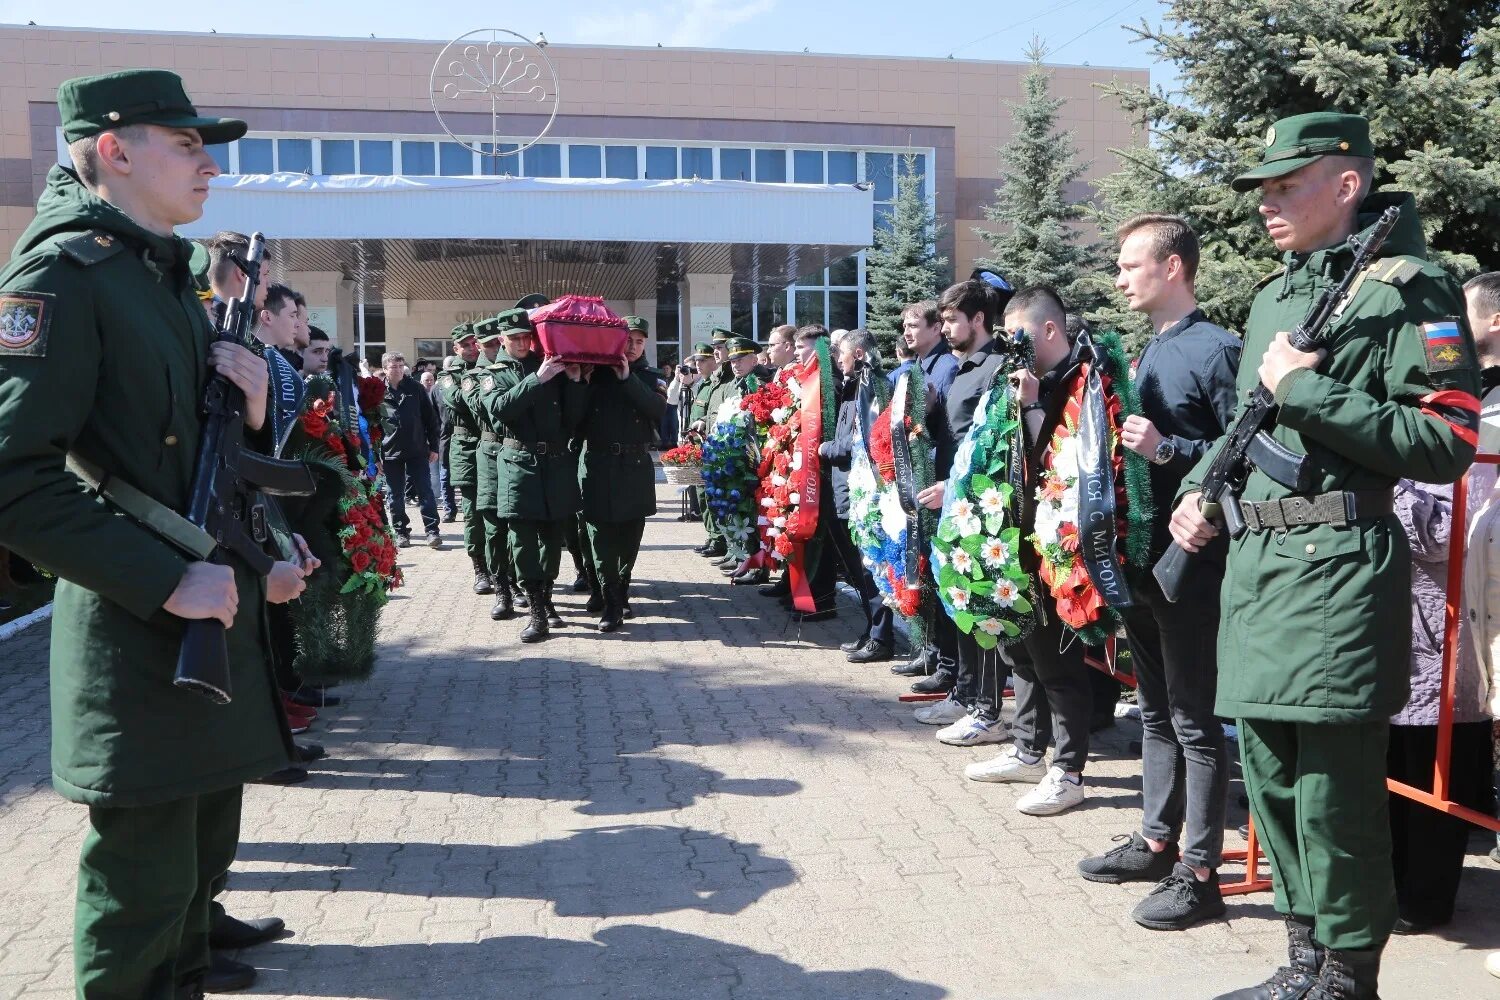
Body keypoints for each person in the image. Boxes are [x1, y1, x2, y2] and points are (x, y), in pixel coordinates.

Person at [0, 69, 319, 999]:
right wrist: (165, 579)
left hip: (208, 602)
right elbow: (14, 474)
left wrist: (260, 434)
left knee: (184, 884)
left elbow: (191, 457)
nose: (208, 165)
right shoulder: (66, 275)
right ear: (114, 149)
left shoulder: (159, 273)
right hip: (139, 624)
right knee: (141, 890)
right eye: (186, 144)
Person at [1168, 113, 1480, 1000]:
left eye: (1286, 185)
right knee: (1266, 776)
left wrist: (1306, 389)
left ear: (1347, 185)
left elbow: (1446, 438)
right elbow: (1243, 424)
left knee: (1334, 799)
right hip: (1258, 573)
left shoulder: (1412, 288)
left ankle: (1348, 976)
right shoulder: (1275, 296)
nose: (1266, 203)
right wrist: (1199, 490)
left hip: (1341, 568)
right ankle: (1303, 964)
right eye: (1262, 187)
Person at [1076, 214, 1241, 930]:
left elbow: (1246, 458)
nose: (1118, 278)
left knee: (1196, 722)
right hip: (1144, 567)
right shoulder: (1145, 353)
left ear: (1173, 268)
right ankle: (1154, 839)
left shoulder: (1218, 350)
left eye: (1130, 265)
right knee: (1153, 711)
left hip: (1194, 567)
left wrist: (1168, 450)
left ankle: (1199, 871)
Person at [910, 280, 1013, 743]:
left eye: (953, 320)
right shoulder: (961, 367)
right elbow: (954, 432)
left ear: (979, 320)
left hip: (982, 507)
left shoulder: (996, 367)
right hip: (954, 502)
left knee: (980, 602)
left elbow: (993, 442)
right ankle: (966, 692)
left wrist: (954, 486)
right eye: (944, 319)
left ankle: (987, 708)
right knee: (961, 601)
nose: (946, 328)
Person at [481, 307, 589, 642]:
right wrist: (537, 378)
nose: (522, 343)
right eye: (514, 338)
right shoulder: (494, 372)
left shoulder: (551, 365)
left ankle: (547, 596)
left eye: (526, 337)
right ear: (502, 340)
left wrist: (572, 381)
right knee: (523, 539)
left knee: (553, 537)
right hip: (518, 463)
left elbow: (573, 419)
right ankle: (536, 611)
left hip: (555, 463)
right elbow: (499, 409)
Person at [578, 316, 666, 631]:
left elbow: (656, 412)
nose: (632, 346)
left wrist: (627, 377)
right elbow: (575, 418)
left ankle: (622, 588)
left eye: (639, 341)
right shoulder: (593, 374)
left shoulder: (652, 377)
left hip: (634, 467)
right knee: (599, 536)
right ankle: (611, 600)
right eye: (627, 339)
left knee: (630, 535)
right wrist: (581, 382)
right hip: (598, 464)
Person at [894, 299, 962, 682]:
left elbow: (946, 431)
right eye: (905, 325)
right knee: (921, 567)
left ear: (937, 328)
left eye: (915, 325)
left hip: (937, 481)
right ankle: (929, 651)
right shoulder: (918, 367)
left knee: (938, 573)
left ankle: (946, 663)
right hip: (916, 481)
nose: (907, 331)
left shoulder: (946, 368)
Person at [820, 328, 896, 662]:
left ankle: (881, 637)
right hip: (846, 490)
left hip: (860, 494)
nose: (837, 359)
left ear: (860, 354)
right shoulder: (855, 385)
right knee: (859, 570)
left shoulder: (871, 388)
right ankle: (872, 629)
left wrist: (825, 448)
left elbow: (863, 442)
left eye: (842, 353)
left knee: (869, 569)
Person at [378, 351, 442, 549]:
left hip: (417, 449)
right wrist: (374, 457)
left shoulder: (415, 388)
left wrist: (434, 446)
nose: (397, 370)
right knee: (395, 496)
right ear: (385, 369)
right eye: (392, 367)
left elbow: (431, 420)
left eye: (399, 366)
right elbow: (372, 427)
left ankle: (432, 531)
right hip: (390, 451)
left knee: (426, 492)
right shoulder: (378, 391)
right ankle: (401, 532)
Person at [693, 328, 737, 559]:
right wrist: (700, 422)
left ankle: (730, 544)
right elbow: (711, 414)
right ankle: (721, 540)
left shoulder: (732, 380)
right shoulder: (718, 380)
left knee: (727, 499)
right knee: (711, 496)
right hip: (712, 448)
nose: (717, 352)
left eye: (720, 347)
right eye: (716, 348)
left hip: (728, 452)